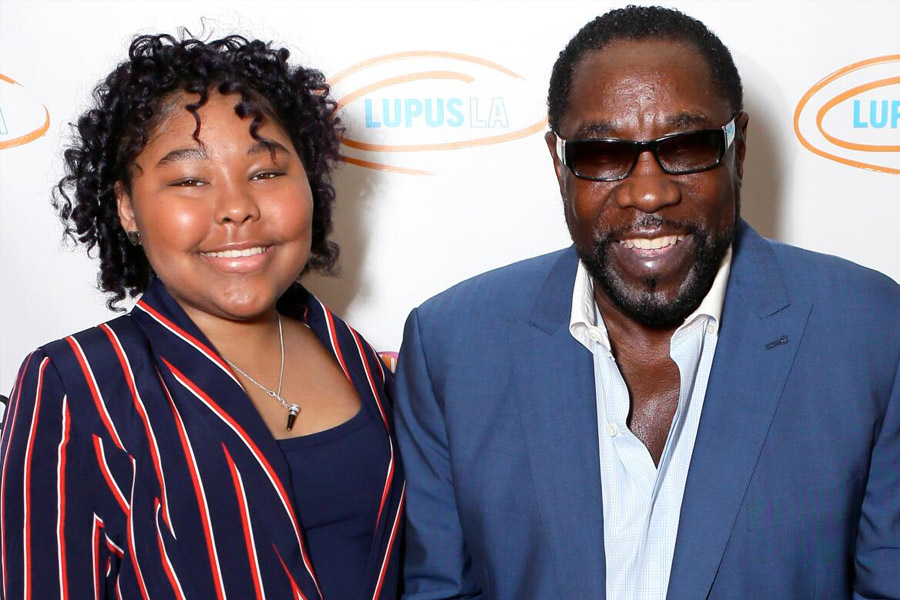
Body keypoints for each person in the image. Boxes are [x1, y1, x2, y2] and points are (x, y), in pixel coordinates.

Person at [394, 6, 900, 600]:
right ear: (559, 163)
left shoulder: (870, 331)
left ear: (737, 149)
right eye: (603, 154)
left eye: (687, 146)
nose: (649, 193)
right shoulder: (452, 347)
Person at [0, 33, 403, 600]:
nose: (236, 208)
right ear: (126, 207)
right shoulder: (76, 385)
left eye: (265, 173)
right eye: (190, 181)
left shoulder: (362, 362)